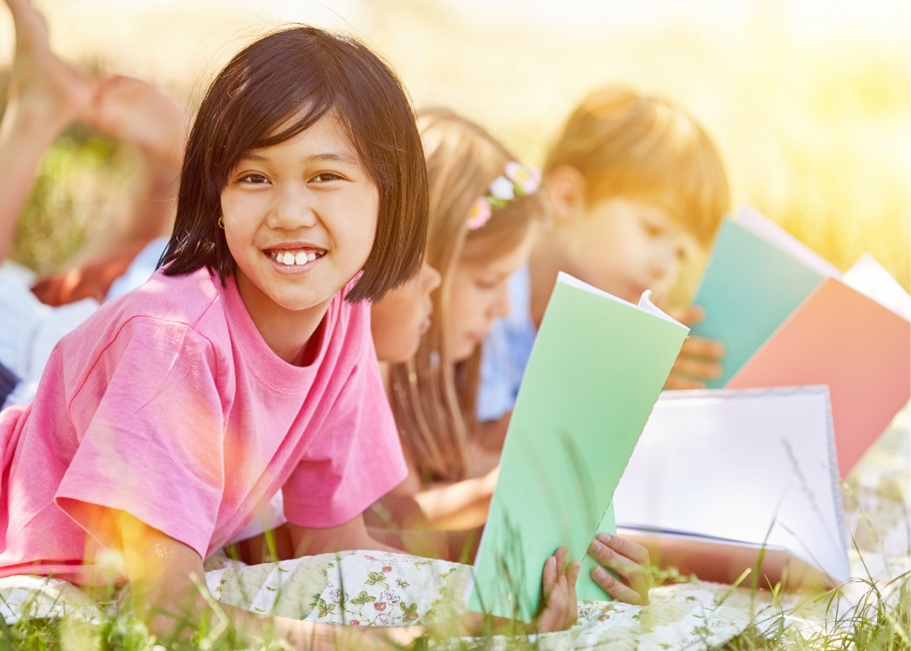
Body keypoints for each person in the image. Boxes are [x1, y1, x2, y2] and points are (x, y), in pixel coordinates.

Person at [0, 3, 579, 646]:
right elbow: (166, 615)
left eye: (325, 176)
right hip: (35, 575)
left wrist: (481, 613)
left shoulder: (344, 317)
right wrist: (373, 643)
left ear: (389, 200)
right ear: (215, 198)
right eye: (254, 177)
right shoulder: (175, 340)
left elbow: (336, 553)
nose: (290, 212)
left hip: (131, 585)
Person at [376, 108, 653, 606]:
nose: (505, 306)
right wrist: (489, 502)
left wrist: (591, 554)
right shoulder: (367, 374)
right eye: (487, 282)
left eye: (510, 280)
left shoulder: (444, 378)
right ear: (418, 264)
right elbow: (385, 530)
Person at [476, 86, 731, 450]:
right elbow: (479, 451)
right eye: (653, 229)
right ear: (568, 198)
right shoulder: (489, 289)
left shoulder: (592, 326)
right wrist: (613, 380)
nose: (665, 269)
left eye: (680, 255)